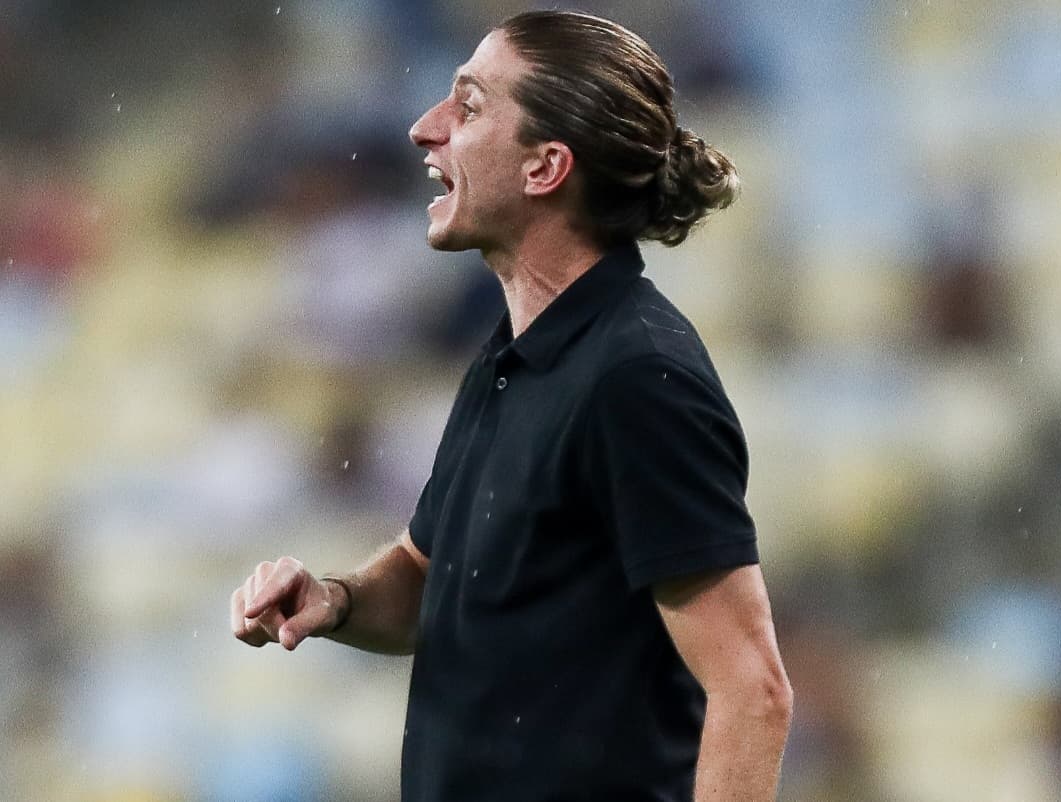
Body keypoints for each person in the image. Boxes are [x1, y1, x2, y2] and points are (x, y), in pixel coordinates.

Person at [231, 10, 793, 801]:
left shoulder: (637, 376)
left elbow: (751, 688)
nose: (426, 129)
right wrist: (338, 600)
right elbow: (435, 581)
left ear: (545, 168)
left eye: (468, 106)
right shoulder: (510, 355)